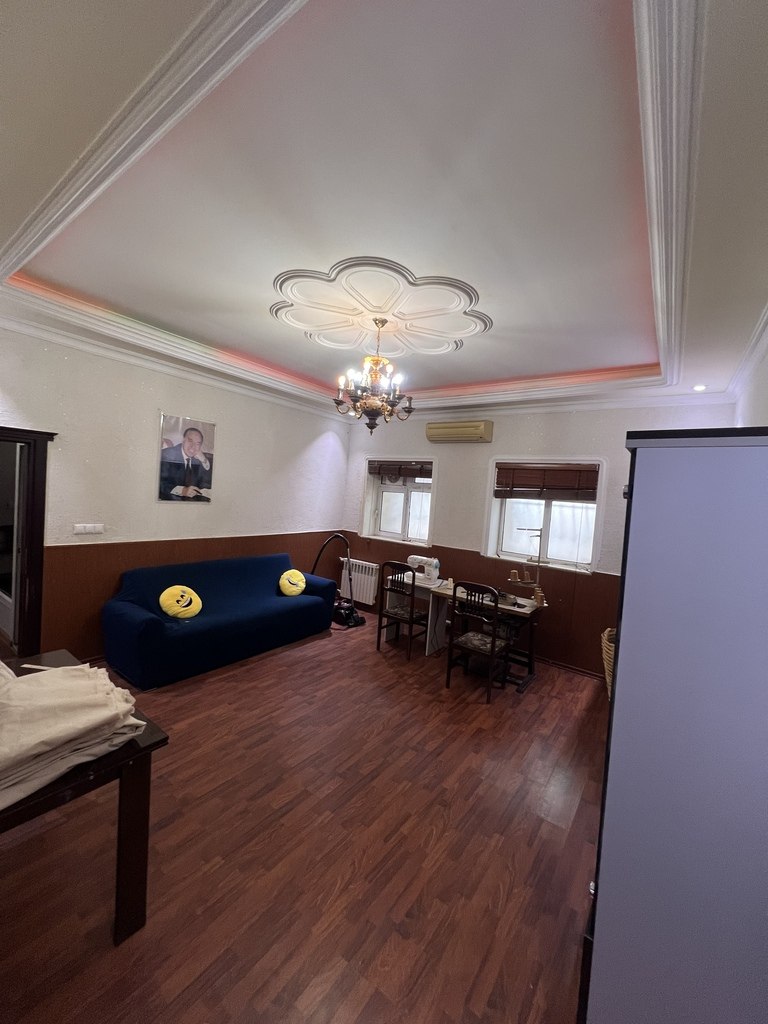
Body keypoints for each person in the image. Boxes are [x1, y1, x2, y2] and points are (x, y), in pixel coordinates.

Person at [159, 427, 214, 501]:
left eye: (197, 443)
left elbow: (207, 482)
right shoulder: (167, 455)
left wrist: (203, 460)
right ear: (183, 440)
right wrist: (182, 491)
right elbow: (159, 483)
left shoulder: (198, 459)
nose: (193, 446)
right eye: (190, 441)